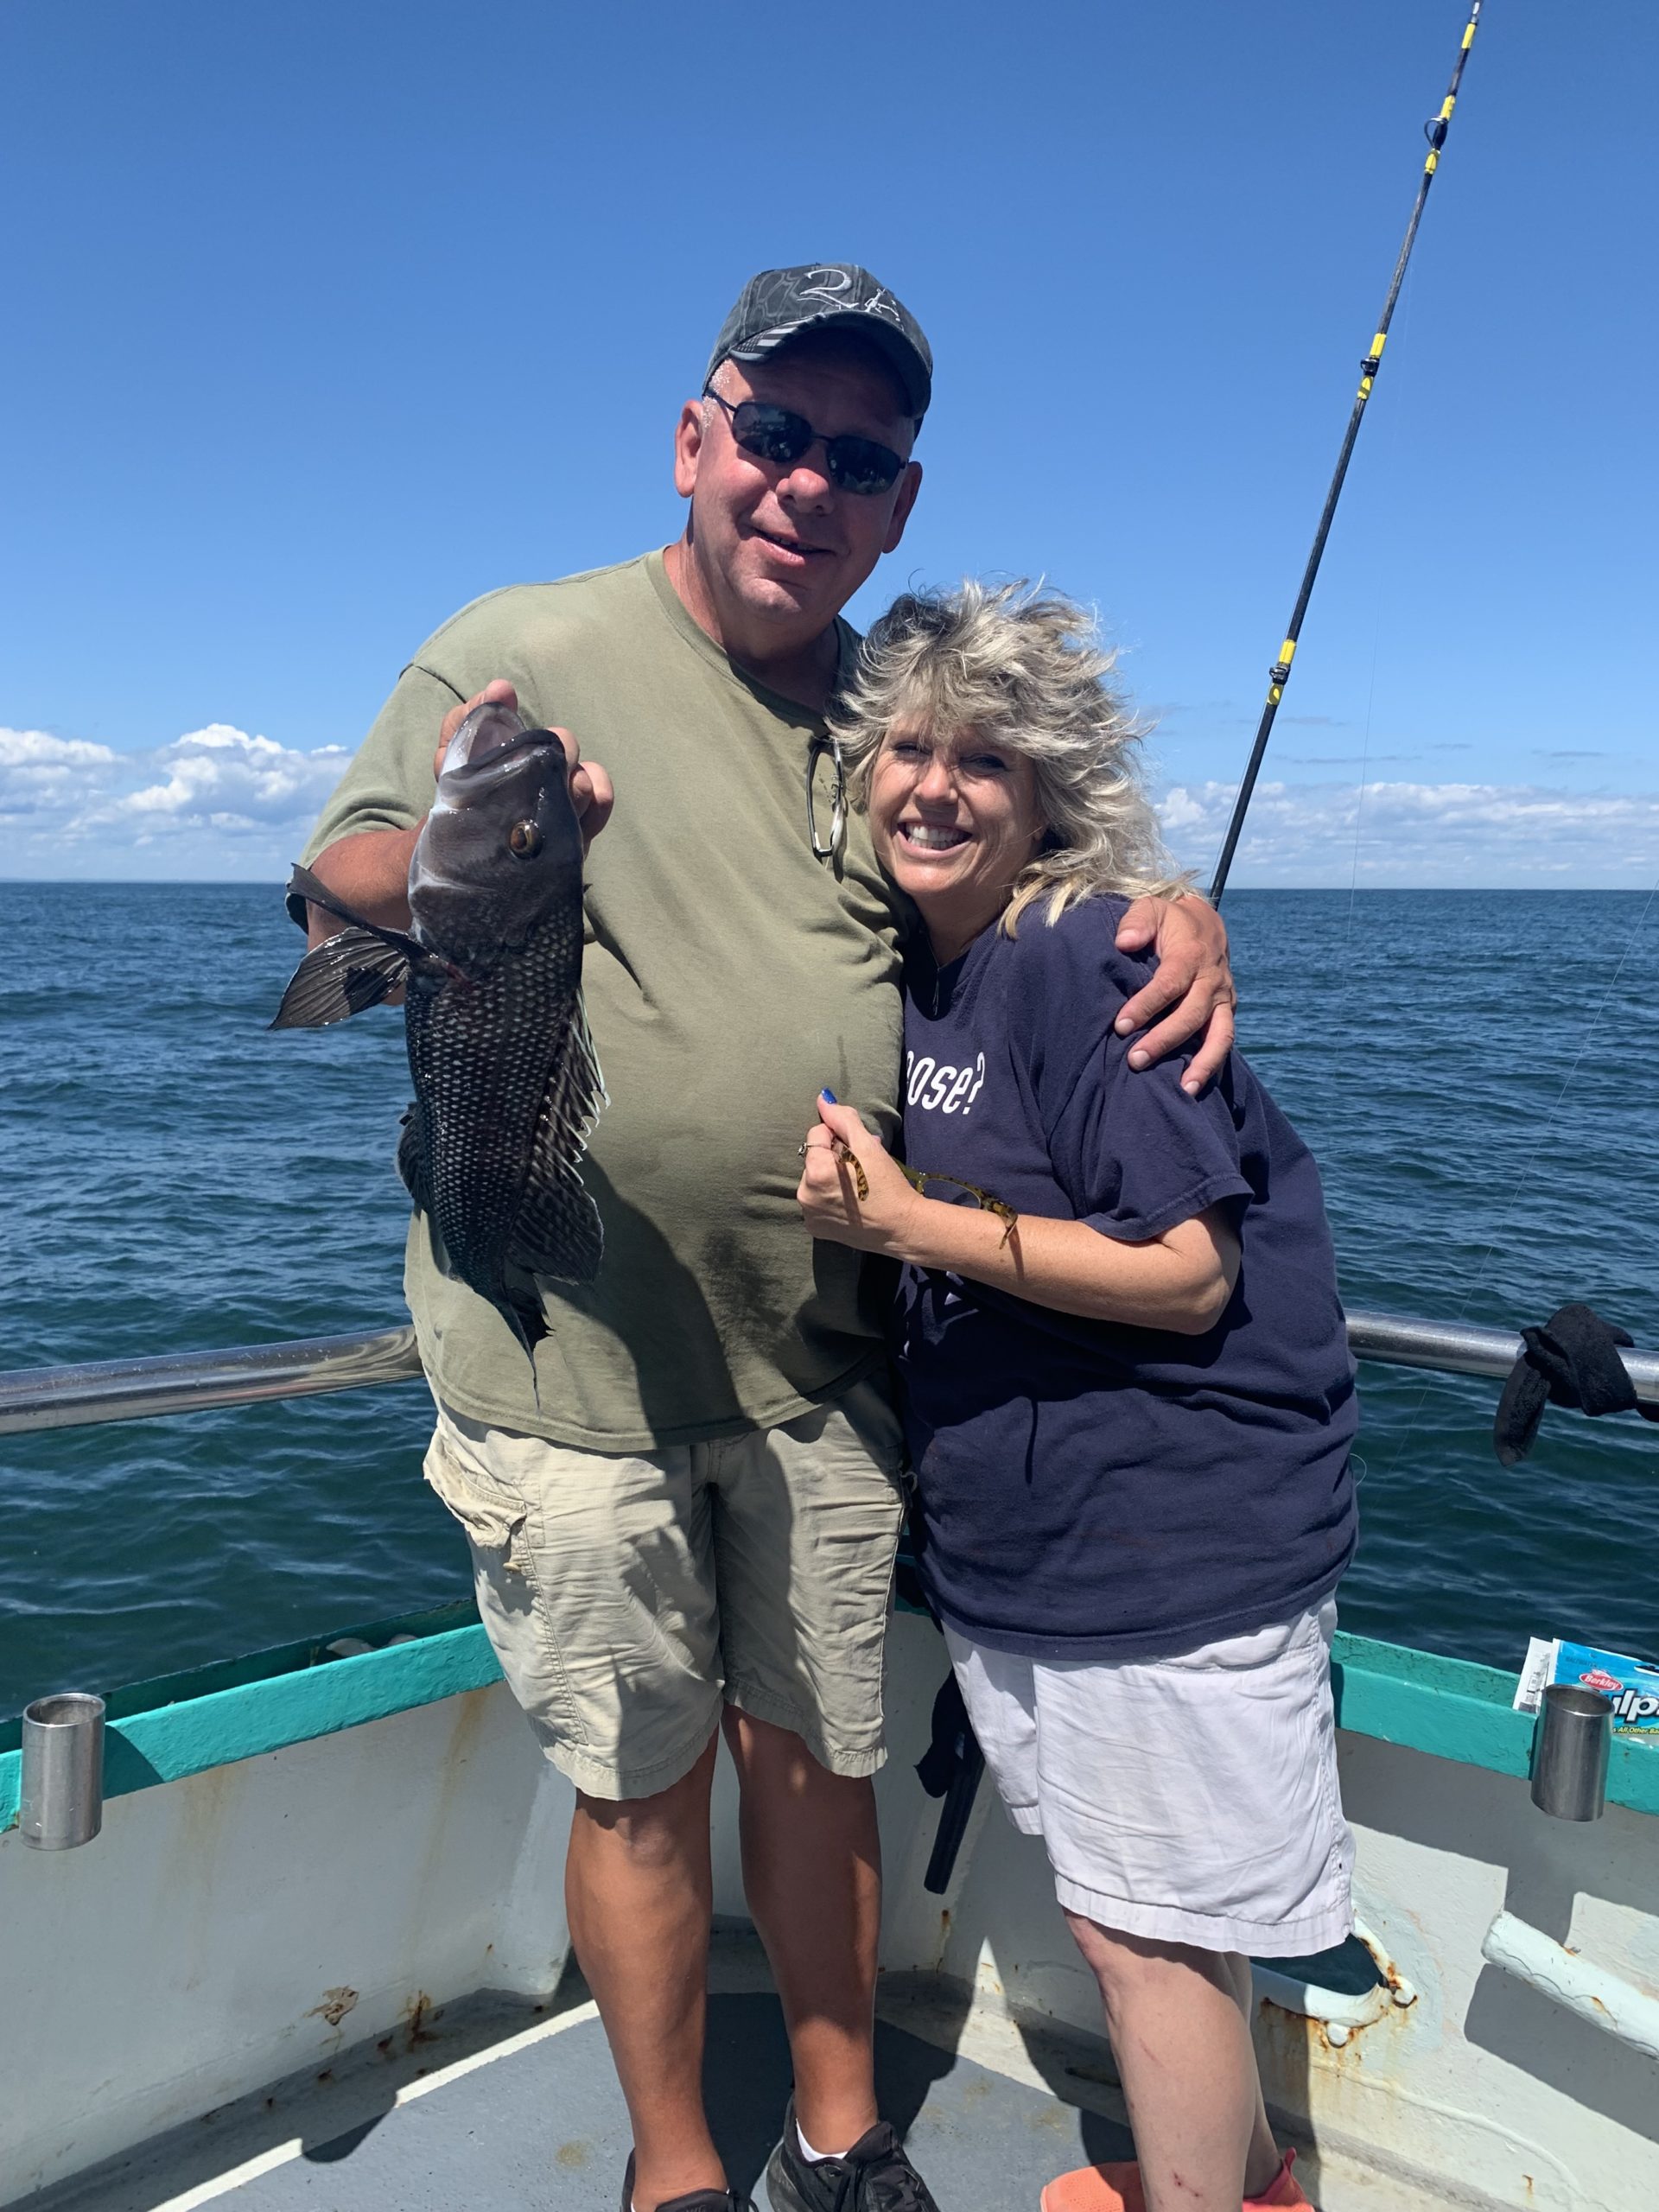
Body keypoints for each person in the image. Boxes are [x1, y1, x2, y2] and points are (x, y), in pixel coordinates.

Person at [292, 268, 1238, 2212]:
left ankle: (839, 2131)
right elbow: (342, 873)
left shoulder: (893, 706)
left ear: (899, 502)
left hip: (824, 1359)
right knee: (639, 1783)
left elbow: (1024, 848)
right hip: (572, 1366)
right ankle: (671, 2167)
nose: (808, 481)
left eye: (860, 456)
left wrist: (1176, 912)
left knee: (816, 1762)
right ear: (695, 439)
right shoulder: (522, 645)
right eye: (777, 432)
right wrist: (496, 841)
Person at [797, 582, 1357, 2212]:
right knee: (1152, 1915)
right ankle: (1245, 2181)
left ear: (1050, 793)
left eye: (985, 758)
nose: (933, 786)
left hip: (1163, 1547)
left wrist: (907, 1223)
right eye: (902, 746)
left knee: (1144, 1942)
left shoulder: (1074, 956)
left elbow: (1190, 1269)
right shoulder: (928, 963)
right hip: (1036, 1548)